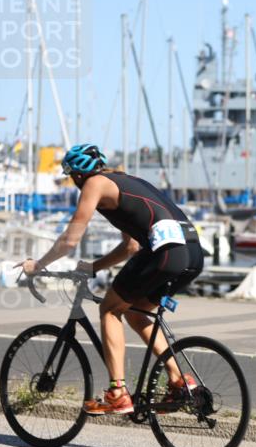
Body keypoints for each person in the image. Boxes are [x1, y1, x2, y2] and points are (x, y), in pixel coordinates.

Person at [16, 143, 204, 416]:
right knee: (136, 314)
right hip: (192, 254)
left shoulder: (95, 184)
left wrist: (39, 264)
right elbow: (130, 247)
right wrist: (93, 267)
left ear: (78, 175)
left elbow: (70, 239)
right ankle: (179, 380)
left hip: (166, 253)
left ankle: (117, 393)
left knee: (109, 310)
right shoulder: (125, 181)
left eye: (72, 178)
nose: (75, 184)